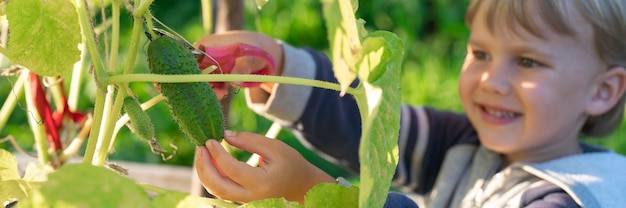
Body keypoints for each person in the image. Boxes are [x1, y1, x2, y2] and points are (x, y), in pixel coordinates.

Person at [193, 0, 626, 207]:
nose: (492, 80)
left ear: (603, 90)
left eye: (528, 62)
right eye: (481, 54)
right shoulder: (466, 145)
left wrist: (312, 191)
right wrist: (276, 64)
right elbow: (368, 126)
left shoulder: (574, 200)